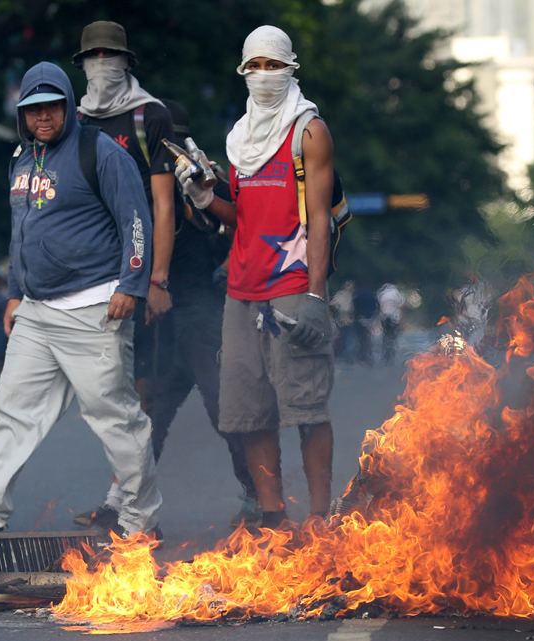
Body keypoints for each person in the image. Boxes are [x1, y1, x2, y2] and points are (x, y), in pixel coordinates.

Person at [0, 62, 160, 540]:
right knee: (11, 409)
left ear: (69, 106)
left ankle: (139, 520)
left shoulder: (100, 152)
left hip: (94, 307)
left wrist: (131, 285)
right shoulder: (22, 157)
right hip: (35, 311)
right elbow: (21, 234)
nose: (44, 117)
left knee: (114, 417)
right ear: (23, 115)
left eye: (53, 106)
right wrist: (14, 294)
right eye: (34, 110)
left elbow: (136, 219)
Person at [76, 99, 260, 533]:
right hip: (158, 319)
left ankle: (257, 500)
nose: (167, 147)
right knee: (144, 415)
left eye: (172, 138)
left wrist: (204, 191)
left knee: (226, 411)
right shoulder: (135, 177)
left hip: (202, 313)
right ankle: (124, 508)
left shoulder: (202, 177)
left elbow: (238, 228)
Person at [177, 26, 335, 528]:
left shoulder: (309, 131)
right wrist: (204, 197)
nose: (264, 75)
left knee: (306, 409)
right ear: (243, 72)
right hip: (241, 293)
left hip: (290, 289)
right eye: (255, 66)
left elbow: (321, 218)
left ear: (291, 69)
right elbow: (241, 216)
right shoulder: (239, 139)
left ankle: (319, 518)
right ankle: (274, 518)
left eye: (274, 65)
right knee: (250, 415)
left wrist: (315, 294)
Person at [69, 21, 179, 534]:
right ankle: (123, 501)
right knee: (108, 395)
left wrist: (154, 279)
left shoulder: (148, 115)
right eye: (93, 55)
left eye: (111, 54)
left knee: (135, 393)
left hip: (132, 280)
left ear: (127, 61)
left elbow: (162, 203)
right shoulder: (73, 120)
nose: (102, 63)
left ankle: (136, 511)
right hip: (86, 280)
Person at [376, 283, 405, 364]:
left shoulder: (382, 293)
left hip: (385, 317)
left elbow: (379, 306)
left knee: (385, 335)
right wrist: (402, 321)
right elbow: (401, 305)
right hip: (394, 317)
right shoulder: (397, 294)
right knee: (393, 336)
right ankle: (391, 352)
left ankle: (386, 353)